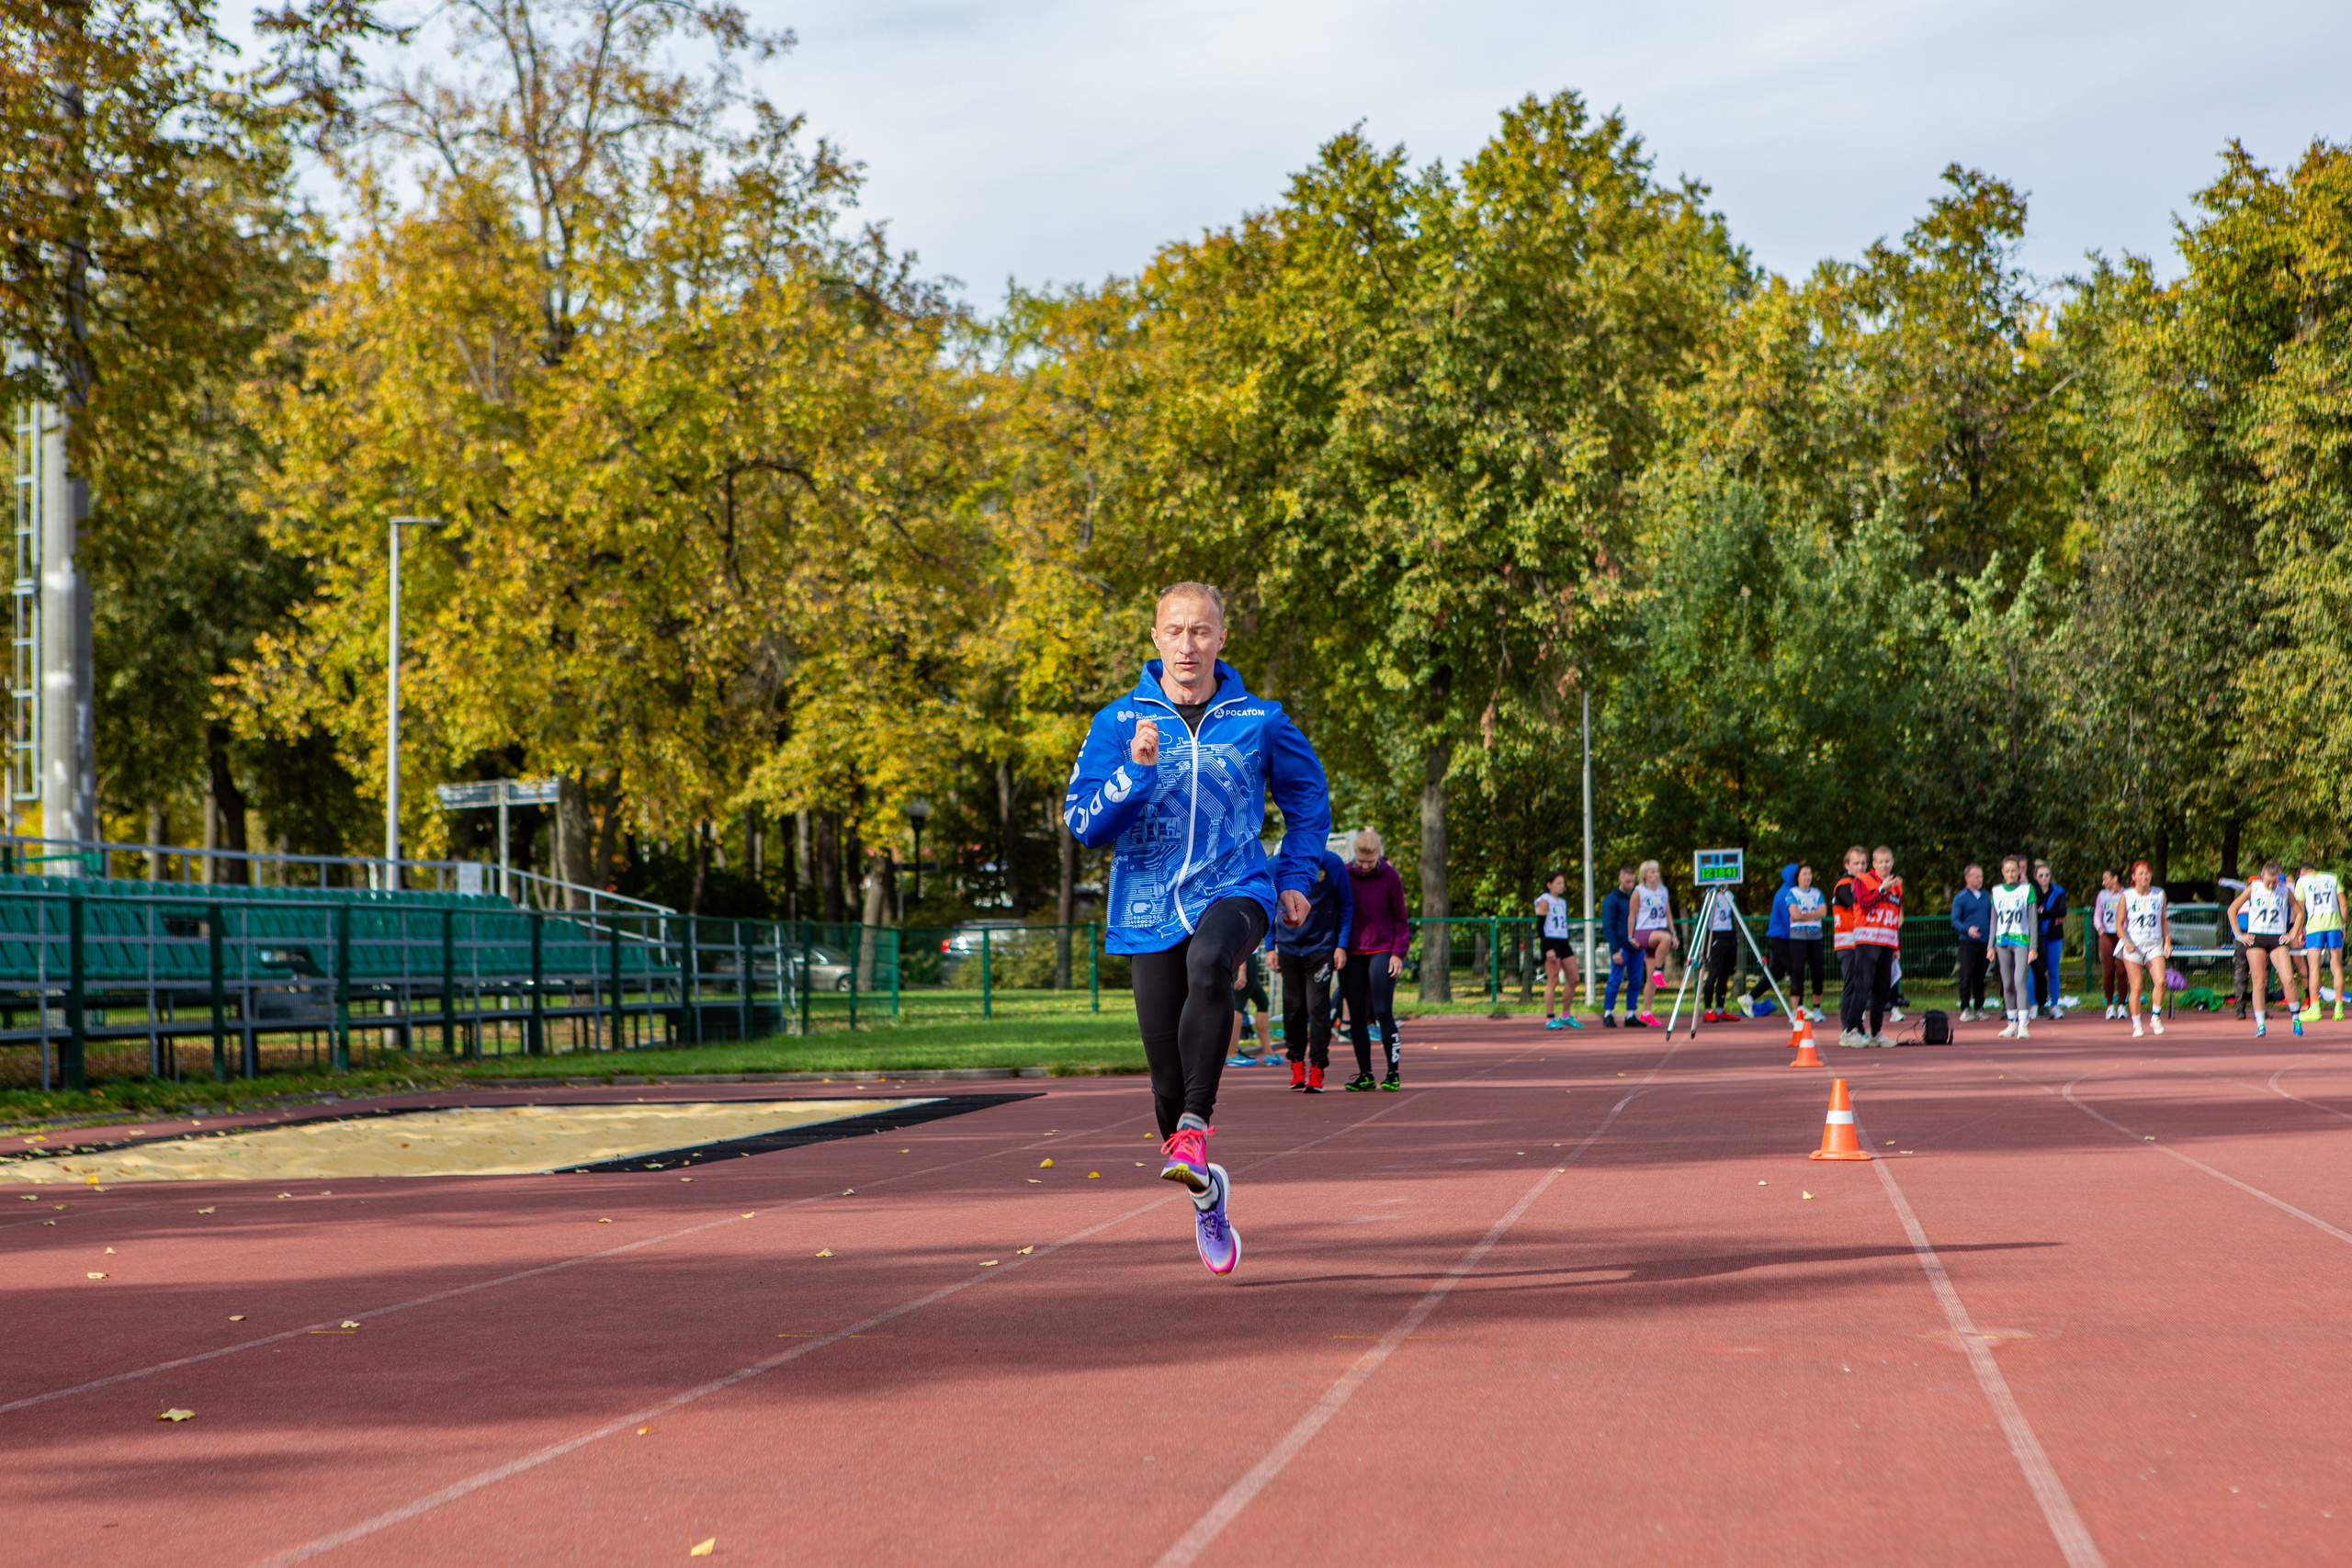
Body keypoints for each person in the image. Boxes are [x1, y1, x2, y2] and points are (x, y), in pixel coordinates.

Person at [1064, 581, 1329, 1277]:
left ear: (1221, 638)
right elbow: (1084, 824)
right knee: (1163, 1085)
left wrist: (1296, 878)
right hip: (1146, 906)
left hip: (1236, 886)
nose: (1188, 644)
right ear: (1154, 638)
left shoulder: (1260, 719)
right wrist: (1134, 772)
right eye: (1175, 630)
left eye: (1202, 631)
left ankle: (1193, 1130)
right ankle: (1207, 1191)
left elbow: (1309, 800)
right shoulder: (1118, 722)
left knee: (1214, 961)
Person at [1272, 838, 1352, 1092]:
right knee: (1293, 1008)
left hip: (1321, 948)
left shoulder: (1332, 864)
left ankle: (1317, 1068)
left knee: (1318, 1007)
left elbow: (1346, 905)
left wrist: (1341, 945)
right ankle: (1296, 1064)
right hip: (1287, 948)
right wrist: (1268, 947)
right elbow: (1267, 904)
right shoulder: (1275, 865)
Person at [1340, 829, 1410, 1089]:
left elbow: (1401, 919)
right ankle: (1365, 1074)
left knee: (1382, 1011)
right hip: (1352, 952)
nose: (1366, 866)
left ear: (1379, 855)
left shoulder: (1390, 876)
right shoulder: (1345, 874)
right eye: (1361, 861)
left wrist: (1398, 954)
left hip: (1381, 949)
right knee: (1357, 1015)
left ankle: (1393, 1073)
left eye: (1371, 861)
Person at [2227, 860, 2304, 1038]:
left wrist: (2292, 933)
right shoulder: (2253, 888)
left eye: (2274, 881)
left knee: (2288, 979)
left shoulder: (2284, 890)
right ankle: (2260, 1023)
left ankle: (2296, 1018)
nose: (2270, 885)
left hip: (2277, 937)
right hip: (2257, 937)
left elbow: (2299, 913)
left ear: (2279, 877)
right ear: (2262, 876)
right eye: (2268, 881)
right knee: (2258, 981)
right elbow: (2232, 910)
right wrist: (2239, 934)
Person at [2116, 859, 2169, 1039]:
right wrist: (2125, 940)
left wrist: (2167, 940)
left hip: (2154, 944)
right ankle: (2136, 1023)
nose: (2144, 876)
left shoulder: (2159, 894)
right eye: (2140, 873)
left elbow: (2163, 920)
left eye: (2147, 873)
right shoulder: (2127, 896)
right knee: (2136, 986)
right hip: (2134, 946)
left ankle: (2155, 1017)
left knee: (2160, 980)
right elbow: (2119, 924)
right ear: (2133, 877)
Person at [1859, 846, 1904, 1043]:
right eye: (1881, 862)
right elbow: (1864, 904)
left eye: (1888, 861)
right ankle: (1852, 1030)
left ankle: (1876, 1033)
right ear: (1874, 864)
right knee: (1863, 986)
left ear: (1892, 863)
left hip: (1887, 942)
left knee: (1882, 989)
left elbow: (1895, 917)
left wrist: (1896, 946)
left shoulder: (1897, 887)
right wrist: (1881, 889)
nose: (1885, 865)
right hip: (1868, 941)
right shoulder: (1863, 881)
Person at [1990, 855, 2037, 1038]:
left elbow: (2033, 920)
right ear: (2003, 872)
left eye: (2014, 871)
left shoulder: (2027, 890)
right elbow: (1993, 921)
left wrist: (2033, 946)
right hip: (2002, 942)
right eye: (2007, 871)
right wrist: (1989, 946)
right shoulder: (1996, 891)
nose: (2011, 874)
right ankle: (2012, 1022)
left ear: (2019, 872)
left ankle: (2023, 1023)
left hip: (2021, 941)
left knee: (2019, 980)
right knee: (2007, 983)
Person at [1532, 872, 1584, 1031]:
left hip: (1563, 940)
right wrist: (1548, 948)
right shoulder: (1545, 901)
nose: (1562, 886)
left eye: (1563, 883)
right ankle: (1549, 1019)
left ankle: (1565, 1015)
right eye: (1558, 883)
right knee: (1553, 980)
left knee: (1574, 977)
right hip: (1551, 941)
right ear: (1549, 885)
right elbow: (1540, 927)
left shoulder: (1562, 902)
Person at [2295, 860, 2344, 1022]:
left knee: (2314, 967)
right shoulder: (2332, 877)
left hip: (2315, 926)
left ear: (2302, 872)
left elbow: (2300, 908)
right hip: (2334, 924)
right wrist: (2343, 925)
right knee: (2336, 966)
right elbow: (2343, 904)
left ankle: (2315, 1008)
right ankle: (2338, 1008)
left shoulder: (2302, 882)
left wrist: (2300, 930)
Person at [1599, 865, 1646, 1027]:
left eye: (1633, 881)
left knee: (1635, 981)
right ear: (1620, 879)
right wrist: (1615, 950)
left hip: (1637, 947)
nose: (1631, 884)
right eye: (1627, 881)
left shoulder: (1638, 896)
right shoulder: (1611, 900)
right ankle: (1608, 1014)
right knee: (1615, 980)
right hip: (1621, 947)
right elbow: (1608, 926)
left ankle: (1630, 1014)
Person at [1630, 861, 1676, 1026]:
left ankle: (1646, 1011)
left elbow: (1668, 913)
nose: (1655, 875)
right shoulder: (1639, 891)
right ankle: (1658, 971)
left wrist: (1674, 933)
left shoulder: (1663, 891)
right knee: (1666, 938)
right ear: (1644, 875)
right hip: (1643, 933)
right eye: (1651, 872)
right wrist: (1630, 936)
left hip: (1658, 932)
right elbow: (1632, 915)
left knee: (1650, 980)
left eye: (1656, 871)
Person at [1951, 863, 1991, 1022]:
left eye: (1981, 876)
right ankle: (1965, 1008)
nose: (1980, 879)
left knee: (1981, 976)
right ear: (1967, 878)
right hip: (1968, 942)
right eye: (1976, 876)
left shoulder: (1986, 895)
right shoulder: (1960, 897)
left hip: (1985, 942)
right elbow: (1954, 920)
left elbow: (1990, 917)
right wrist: (1967, 929)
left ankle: (1979, 1008)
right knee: (1966, 974)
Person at [2030, 861, 2069, 1020]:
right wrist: (2052, 914)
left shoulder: (2058, 892)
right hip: (2036, 936)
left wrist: (2044, 912)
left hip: (2054, 935)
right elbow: (2034, 913)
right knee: (2034, 972)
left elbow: (2062, 911)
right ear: (2035, 877)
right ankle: (2034, 1006)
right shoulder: (2031, 892)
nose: (2044, 878)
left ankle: (2054, 1004)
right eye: (2041, 875)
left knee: (2053, 971)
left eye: (2047, 875)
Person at [1699, 886, 1741, 1022]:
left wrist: (1734, 937)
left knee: (1725, 973)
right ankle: (1707, 1009)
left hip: (1728, 935)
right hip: (1715, 936)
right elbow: (1702, 918)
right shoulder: (1708, 896)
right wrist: (1704, 944)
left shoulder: (1730, 895)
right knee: (1714, 973)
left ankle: (1720, 1009)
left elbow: (1732, 917)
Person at [2093, 868, 2124, 1021]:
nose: (2103, 882)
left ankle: (2123, 1005)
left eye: (2106, 878)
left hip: (2122, 936)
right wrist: (2100, 928)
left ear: (2115, 878)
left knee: (2122, 970)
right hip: (2106, 934)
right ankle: (2110, 1006)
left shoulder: (2126, 894)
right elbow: (2097, 915)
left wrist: (2125, 933)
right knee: (2108, 971)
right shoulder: (2102, 895)